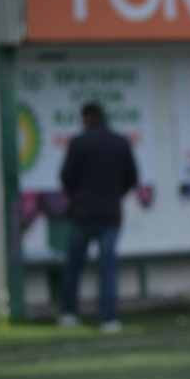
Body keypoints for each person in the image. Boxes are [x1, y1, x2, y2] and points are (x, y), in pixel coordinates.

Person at [57, 102, 138, 333]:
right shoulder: (120, 142)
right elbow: (132, 178)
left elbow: (66, 177)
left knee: (74, 265)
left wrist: (79, 196)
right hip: (110, 213)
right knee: (107, 267)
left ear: (86, 118)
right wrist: (114, 196)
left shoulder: (79, 142)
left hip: (82, 212)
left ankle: (69, 313)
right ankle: (108, 318)